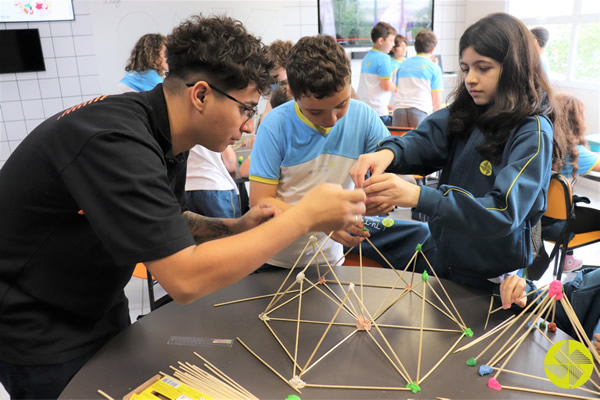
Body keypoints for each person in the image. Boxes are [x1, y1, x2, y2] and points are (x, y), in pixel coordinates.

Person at [0, 15, 366, 398]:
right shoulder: (115, 142)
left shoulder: (162, 136)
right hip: (38, 325)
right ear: (202, 95)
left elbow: (170, 222)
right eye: (246, 109)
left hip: (96, 306)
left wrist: (238, 226)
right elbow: (185, 279)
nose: (247, 127)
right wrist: (306, 217)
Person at [350, 13, 554, 296]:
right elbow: (422, 142)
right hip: (447, 257)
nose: (471, 79)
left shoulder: (531, 131)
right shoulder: (467, 110)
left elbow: (503, 211)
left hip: (491, 276)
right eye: (465, 68)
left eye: (483, 68)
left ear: (514, 68)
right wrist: (388, 153)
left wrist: (419, 197)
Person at [249, 34, 433, 272]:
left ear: (349, 83)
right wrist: (319, 219)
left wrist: (384, 195)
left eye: (341, 105)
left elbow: (399, 175)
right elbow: (261, 203)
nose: (332, 119)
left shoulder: (364, 117)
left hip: (329, 259)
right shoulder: (275, 125)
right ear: (292, 93)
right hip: (275, 259)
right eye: (316, 113)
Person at [543, 93, 600, 271]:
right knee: (572, 208)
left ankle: (567, 258)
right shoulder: (574, 152)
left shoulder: (542, 144)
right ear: (576, 122)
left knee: (568, 202)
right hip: (561, 226)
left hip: (538, 220)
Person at [392, 30, 443, 128]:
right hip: (420, 109)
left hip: (399, 110)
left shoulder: (402, 65)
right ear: (432, 50)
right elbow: (437, 103)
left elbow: (396, 90)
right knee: (420, 143)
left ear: (415, 47)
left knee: (399, 143)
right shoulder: (434, 68)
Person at [357, 21, 397, 126]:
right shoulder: (384, 58)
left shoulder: (367, 57)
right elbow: (386, 86)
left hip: (364, 110)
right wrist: (398, 86)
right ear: (381, 41)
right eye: (391, 40)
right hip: (378, 111)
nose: (393, 44)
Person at [185, 144, 241, 218]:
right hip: (215, 187)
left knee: (196, 228)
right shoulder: (220, 132)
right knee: (230, 228)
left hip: (187, 188)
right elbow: (230, 163)